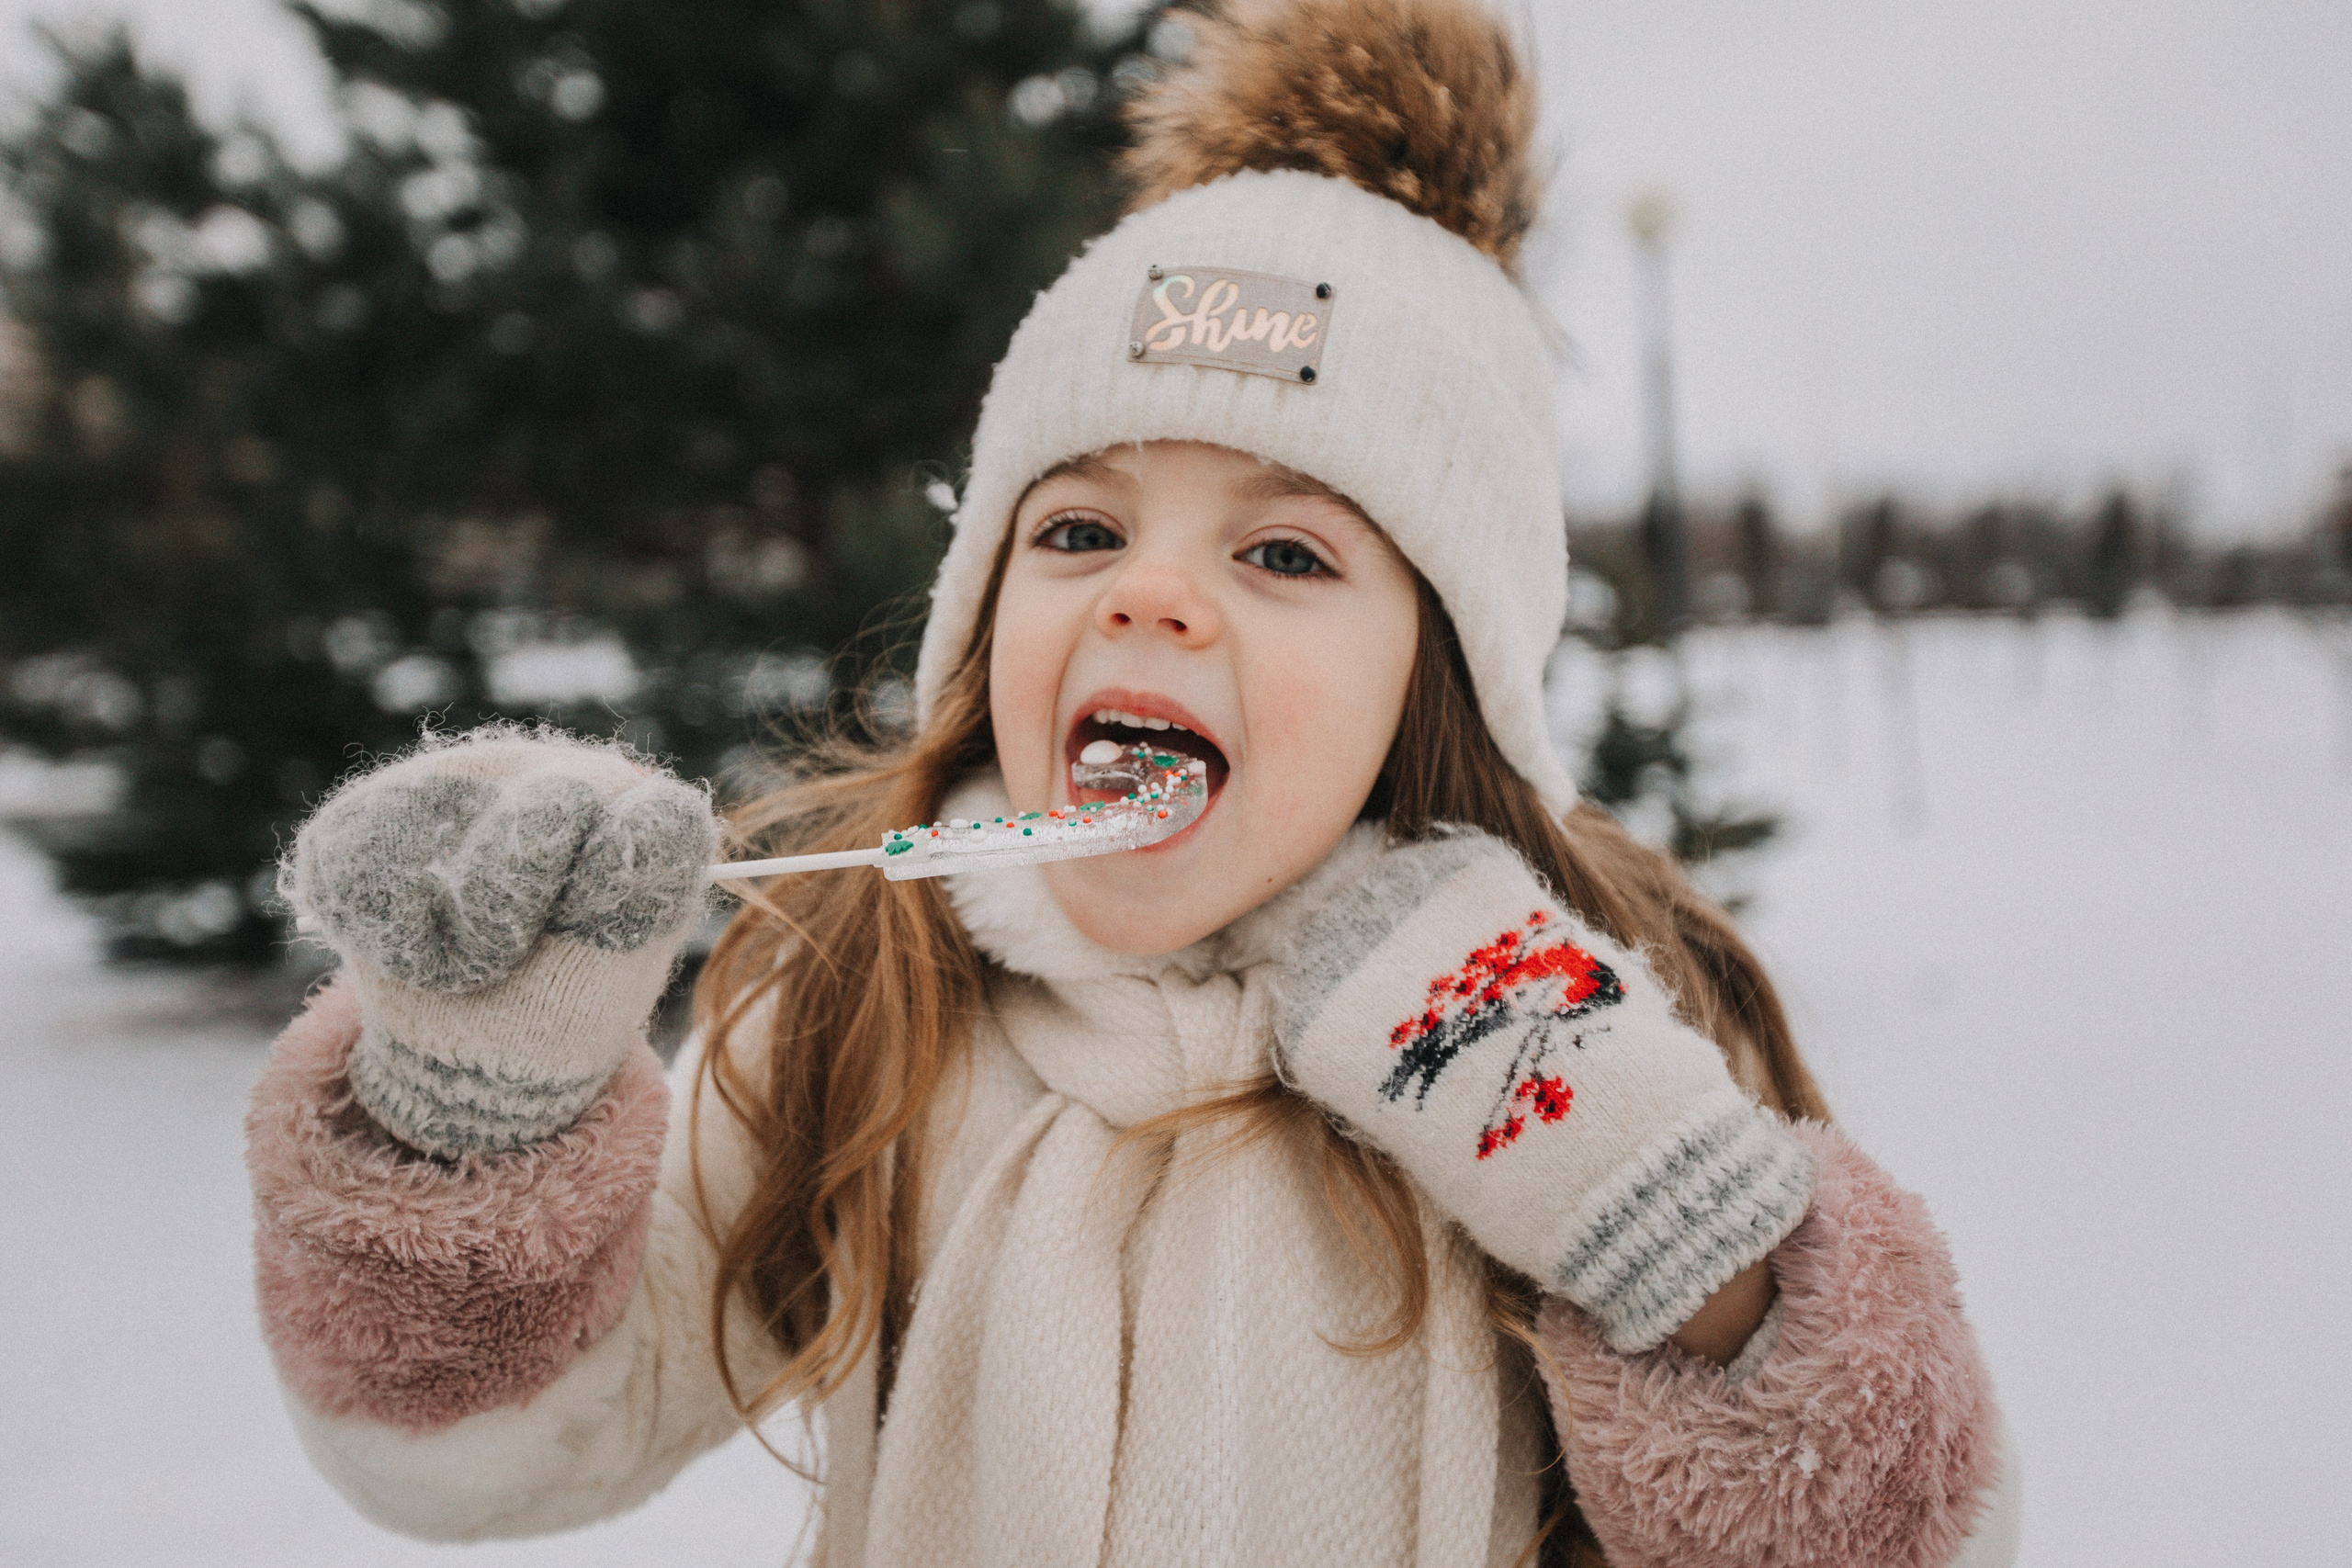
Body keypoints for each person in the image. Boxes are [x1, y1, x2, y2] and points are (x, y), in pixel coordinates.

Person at [244, 3, 2020, 1563]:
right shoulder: (867, 998)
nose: (1149, 593)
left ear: (1442, 674)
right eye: (1081, 526)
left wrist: (1602, 1149)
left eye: (1289, 556)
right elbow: (469, 1469)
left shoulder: (1586, 1027)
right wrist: (478, 1089)